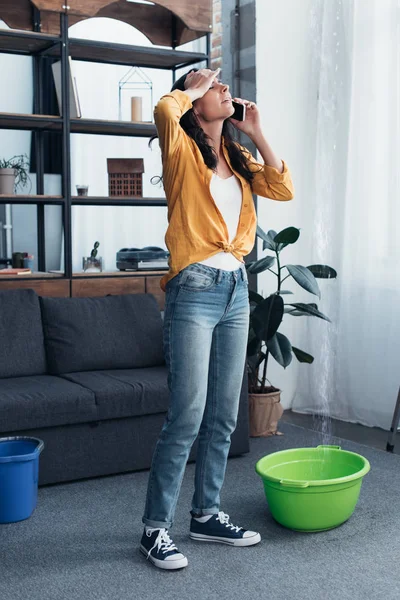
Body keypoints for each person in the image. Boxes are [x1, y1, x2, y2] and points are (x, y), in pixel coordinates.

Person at [140, 67, 294, 570]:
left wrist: (256, 131)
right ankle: (154, 530)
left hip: (234, 291)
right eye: (212, 86)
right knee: (187, 415)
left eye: (220, 84)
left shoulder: (236, 156)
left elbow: (282, 187)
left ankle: (206, 514)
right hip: (195, 290)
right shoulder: (182, 152)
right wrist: (191, 87)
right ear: (197, 102)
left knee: (225, 416)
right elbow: (166, 109)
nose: (222, 89)